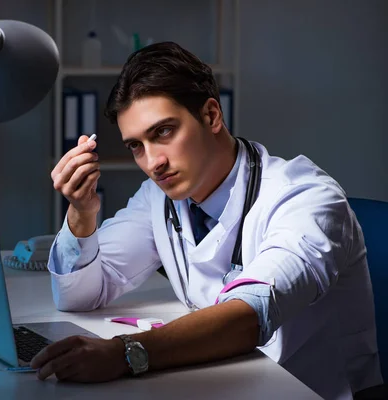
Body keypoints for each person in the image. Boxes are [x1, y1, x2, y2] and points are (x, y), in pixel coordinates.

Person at [30, 41, 383, 399]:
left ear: (212, 115)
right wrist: (82, 211)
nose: (153, 163)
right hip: (222, 383)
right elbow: (80, 296)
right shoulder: (160, 197)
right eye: (136, 145)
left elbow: (249, 316)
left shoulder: (305, 198)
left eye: (163, 132)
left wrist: (126, 353)